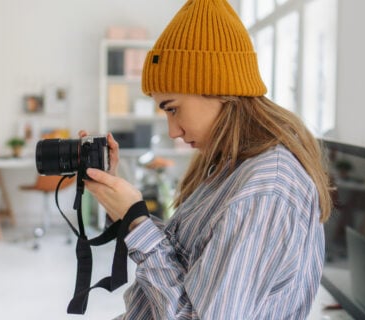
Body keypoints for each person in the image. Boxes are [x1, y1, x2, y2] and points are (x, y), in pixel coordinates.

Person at [82, 0, 332, 318]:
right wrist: (123, 209)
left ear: (218, 89)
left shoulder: (265, 190)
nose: (172, 131)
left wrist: (136, 221)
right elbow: (188, 260)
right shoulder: (231, 167)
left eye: (173, 108)